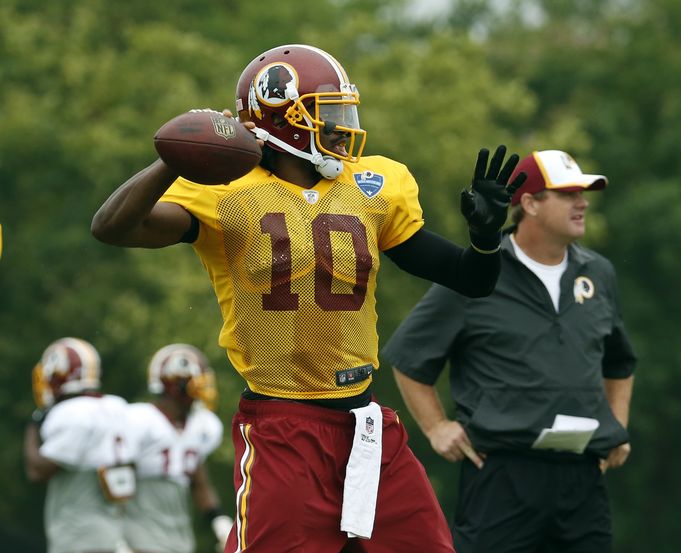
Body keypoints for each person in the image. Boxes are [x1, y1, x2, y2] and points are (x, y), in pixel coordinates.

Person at [91, 43, 524, 553]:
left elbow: (471, 278)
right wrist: (173, 160)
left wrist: (486, 238)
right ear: (282, 122)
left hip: (367, 427)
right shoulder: (226, 191)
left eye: (343, 111)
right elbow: (113, 227)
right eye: (327, 114)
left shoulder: (371, 186)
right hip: (283, 427)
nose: (344, 126)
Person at [381, 149, 638, 553]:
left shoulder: (598, 272)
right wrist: (436, 427)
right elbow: (410, 357)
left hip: (583, 474)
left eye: (582, 193)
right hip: (502, 474)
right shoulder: (478, 271)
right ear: (530, 203)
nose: (582, 203)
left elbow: (620, 363)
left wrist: (617, 426)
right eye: (568, 194)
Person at [24, 337, 135, 553]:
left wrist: (32, 424)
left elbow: (37, 472)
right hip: (117, 530)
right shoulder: (117, 405)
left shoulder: (72, 413)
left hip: (79, 533)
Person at [122, 343, 232, 553]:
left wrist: (218, 520)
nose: (203, 388)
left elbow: (199, 482)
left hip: (178, 534)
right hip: (139, 530)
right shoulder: (140, 420)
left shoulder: (200, 426)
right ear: (175, 385)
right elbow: (114, 481)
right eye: (196, 382)